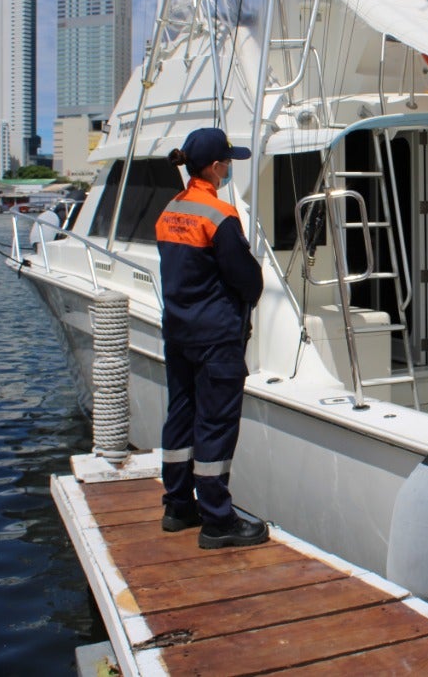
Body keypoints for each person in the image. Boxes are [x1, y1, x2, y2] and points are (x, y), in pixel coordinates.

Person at [155, 127, 268, 549]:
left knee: (180, 418)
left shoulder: (170, 211)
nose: (229, 168)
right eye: (228, 162)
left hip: (179, 332)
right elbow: (245, 279)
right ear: (217, 167)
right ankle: (218, 520)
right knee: (215, 426)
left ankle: (178, 505)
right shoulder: (218, 215)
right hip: (216, 337)